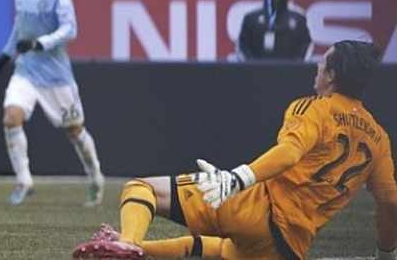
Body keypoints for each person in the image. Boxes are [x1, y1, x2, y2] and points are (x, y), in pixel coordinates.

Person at [73, 40, 397, 260]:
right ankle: (135, 249)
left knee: (141, 188)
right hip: (288, 247)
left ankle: (129, 243)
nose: (317, 66)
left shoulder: (314, 108)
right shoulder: (378, 139)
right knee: (221, 250)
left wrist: (238, 178)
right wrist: (386, 254)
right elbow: (390, 202)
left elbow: (290, 153)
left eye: (322, 62)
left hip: (261, 207)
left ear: (332, 75)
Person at [0, 0, 105, 207]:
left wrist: (40, 43)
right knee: (11, 117)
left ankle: (95, 177)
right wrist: (7, 53)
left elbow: (70, 29)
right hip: (26, 70)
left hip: (56, 76)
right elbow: (20, 25)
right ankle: (24, 180)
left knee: (75, 131)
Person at [238, 0, 312, 61]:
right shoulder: (251, 18)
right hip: (258, 68)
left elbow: (306, 44)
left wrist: (297, 64)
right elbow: (242, 44)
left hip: (289, 68)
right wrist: (251, 64)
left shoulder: (298, 19)